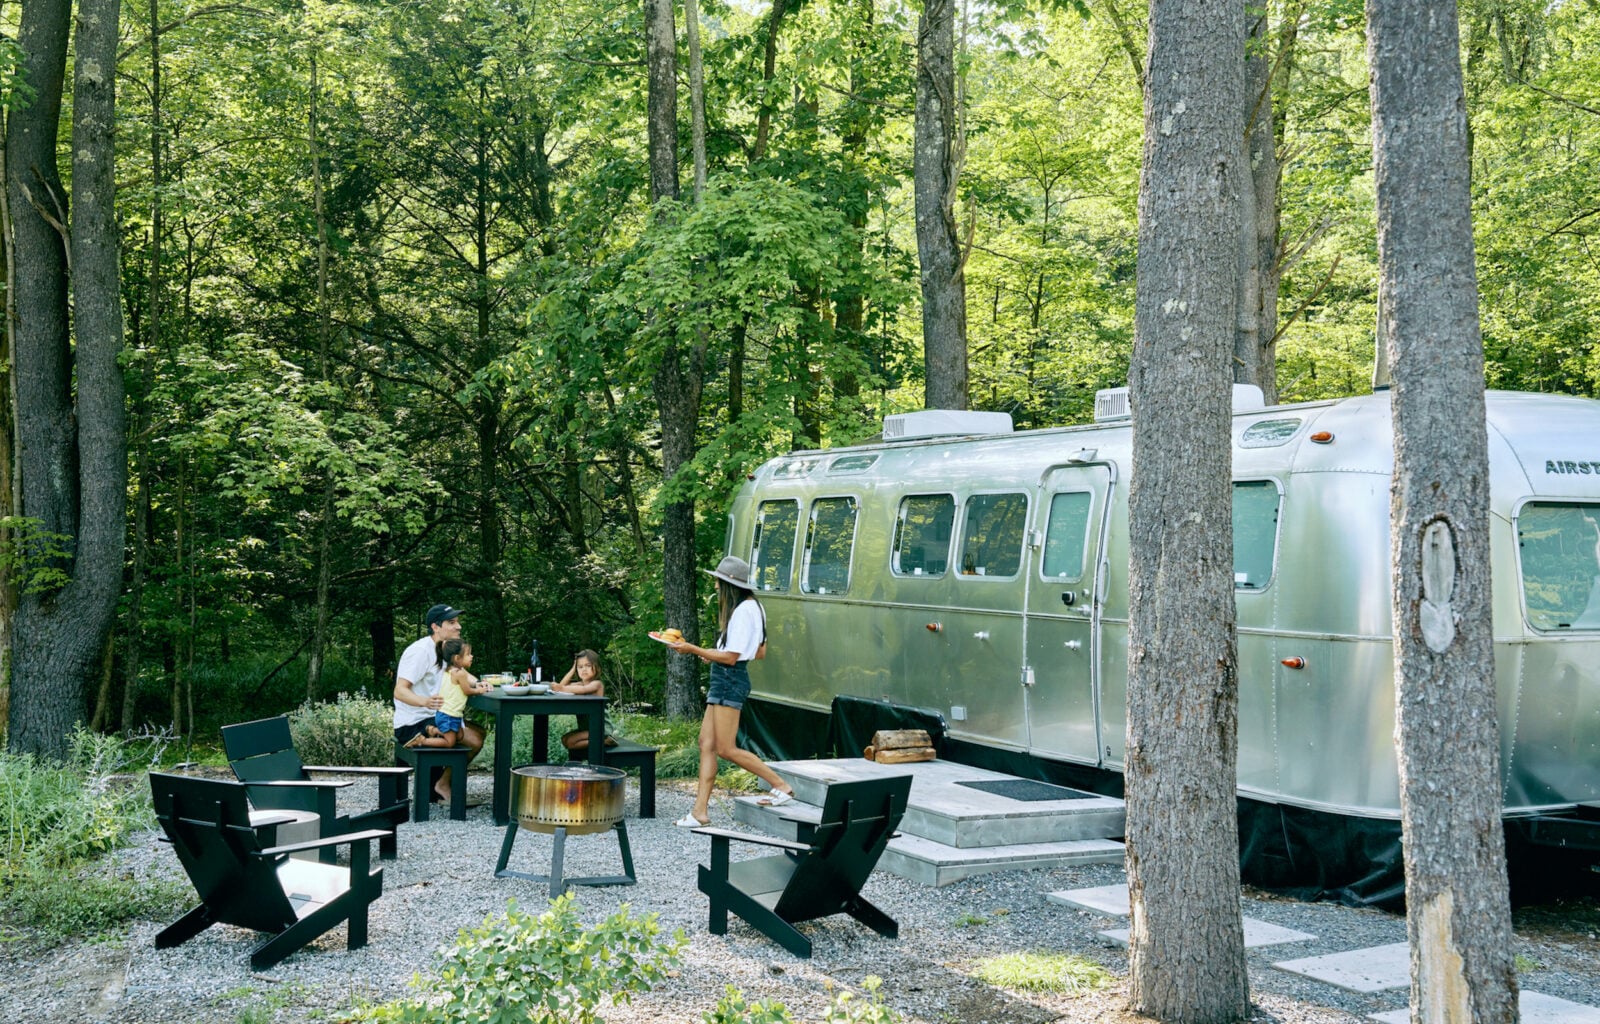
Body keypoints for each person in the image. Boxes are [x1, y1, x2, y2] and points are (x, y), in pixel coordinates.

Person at [666, 555, 795, 826]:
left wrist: (693, 649)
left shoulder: (743, 612)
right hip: (725, 677)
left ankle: (780, 785)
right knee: (707, 743)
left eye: (718, 581)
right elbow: (758, 652)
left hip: (729, 679)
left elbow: (732, 657)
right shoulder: (754, 607)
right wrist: (714, 654)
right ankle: (700, 812)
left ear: (729, 584)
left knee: (726, 748)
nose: (715, 586)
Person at [394, 604, 485, 802]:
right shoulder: (420, 652)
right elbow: (400, 690)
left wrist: (479, 683)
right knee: (474, 739)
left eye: (458, 622)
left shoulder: (445, 649)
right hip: (413, 723)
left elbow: (462, 673)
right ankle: (443, 784)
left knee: (479, 732)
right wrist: (424, 701)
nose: (458, 626)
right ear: (435, 627)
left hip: (435, 716)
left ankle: (441, 784)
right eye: (451, 622)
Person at [405, 638, 489, 748]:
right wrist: (480, 690)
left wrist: (477, 685)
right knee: (450, 742)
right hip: (449, 715)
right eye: (468, 654)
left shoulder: (449, 670)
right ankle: (421, 741)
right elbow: (467, 691)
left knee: (460, 736)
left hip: (450, 713)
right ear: (457, 658)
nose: (471, 656)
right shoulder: (459, 674)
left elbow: (462, 687)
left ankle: (433, 730)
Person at [554, 649, 610, 753]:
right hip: (587, 727)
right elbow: (561, 687)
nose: (584, 669)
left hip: (600, 728)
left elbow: (582, 689)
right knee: (564, 739)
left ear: (597, 667)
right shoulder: (580, 684)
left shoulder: (597, 684)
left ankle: (605, 741)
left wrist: (561, 688)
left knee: (570, 742)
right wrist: (572, 669)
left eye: (588, 666)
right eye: (580, 667)